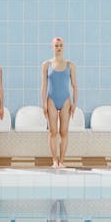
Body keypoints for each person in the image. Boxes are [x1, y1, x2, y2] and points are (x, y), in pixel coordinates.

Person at [41, 37, 78, 168]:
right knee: (53, 132)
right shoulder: (46, 65)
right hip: (51, 99)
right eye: (56, 45)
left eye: (61, 45)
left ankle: (61, 161)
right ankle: (54, 161)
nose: (58, 47)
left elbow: (74, 85)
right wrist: (43, 104)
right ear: (52, 47)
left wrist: (74, 103)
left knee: (64, 132)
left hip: (66, 100)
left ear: (64, 47)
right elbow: (44, 86)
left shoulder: (70, 65)